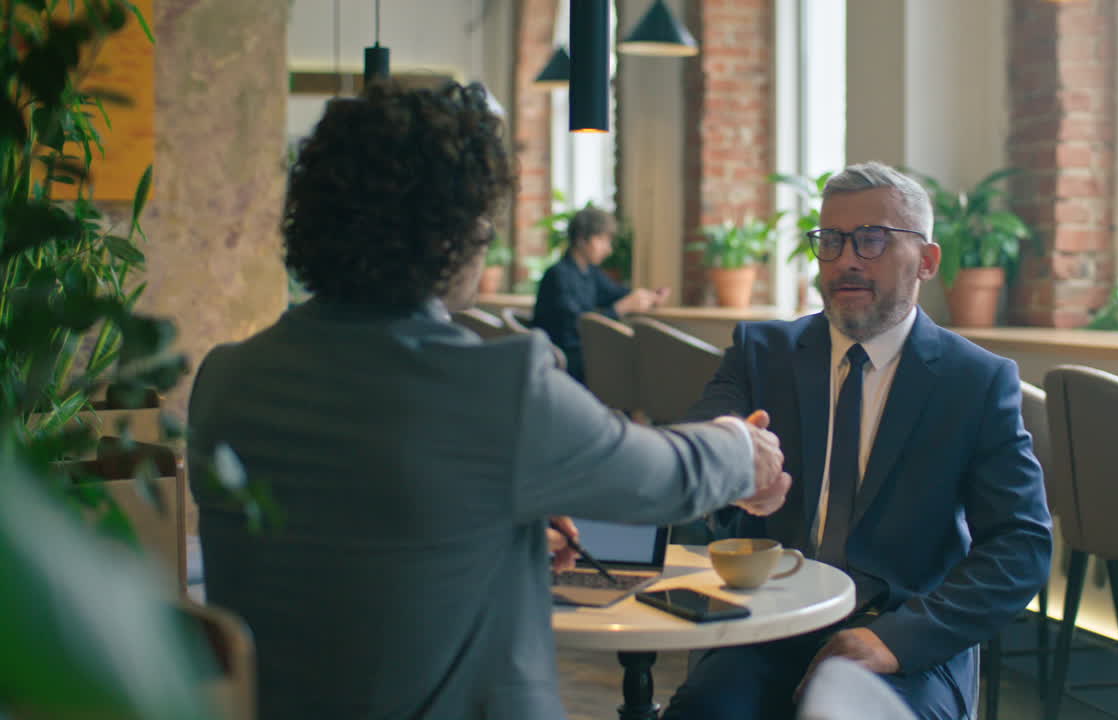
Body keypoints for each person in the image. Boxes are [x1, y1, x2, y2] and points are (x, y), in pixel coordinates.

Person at [187, 81, 792, 720]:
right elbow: (665, 478)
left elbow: (351, 543)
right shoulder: (496, 387)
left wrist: (495, 524)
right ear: (456, 231)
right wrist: (741, 446)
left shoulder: (226, 380)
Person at [664, 162, 1053, 720]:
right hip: (772, 623)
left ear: (926, 261)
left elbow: (1021, 545)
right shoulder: (762, 352)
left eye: (872, 240)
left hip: (904, 639)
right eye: (832, 240)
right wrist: (731, 469)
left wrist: (900, 639)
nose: (846, 259)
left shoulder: (975, 381)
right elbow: (698, 446)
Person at [531, 206, 670, 381]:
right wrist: (621, 308)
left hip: (583, 356)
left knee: (643, 359)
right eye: (603, 240)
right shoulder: (558, 276)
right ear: (582, 240)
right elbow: (578, 327)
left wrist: (651, 296)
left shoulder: (590, 273)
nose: (609, 249)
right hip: (561, 361)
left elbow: (616, 293)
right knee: (632, 365)